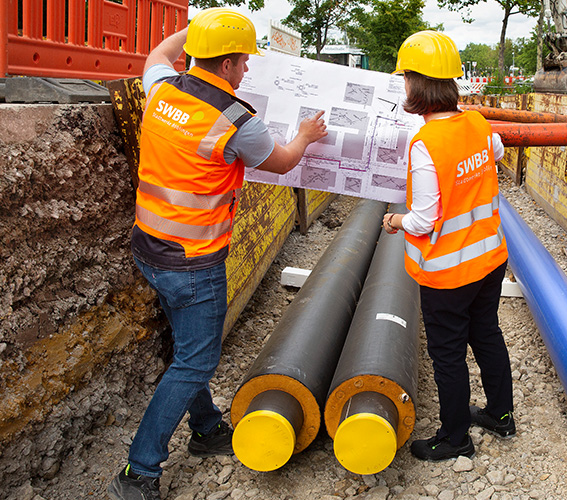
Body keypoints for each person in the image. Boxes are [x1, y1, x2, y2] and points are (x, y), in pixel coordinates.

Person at [108, 8, 327, 500]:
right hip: (193, 261)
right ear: (227, 64)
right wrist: (307, 137)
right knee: (196, 362)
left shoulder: (162, 87)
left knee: (188, 350)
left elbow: (159, 52)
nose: (247, 70)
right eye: (244, 61)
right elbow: (283, 160)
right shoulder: (235, 119)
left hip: (149, 247)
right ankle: (138, 470)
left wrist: (201, 29)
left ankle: (206, 431)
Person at [382, 30, 516, 461]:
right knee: (487, 334)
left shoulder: (426, 145)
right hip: (489, 259)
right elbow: (493, 154)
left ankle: (456, 438)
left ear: (415, 85)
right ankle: (500, 415)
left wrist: (395, 220)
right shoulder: (476, 122)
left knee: (448, 355)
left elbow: (423, 219)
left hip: (447, 273)